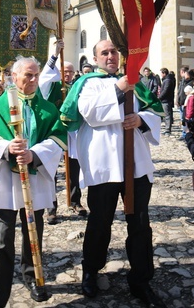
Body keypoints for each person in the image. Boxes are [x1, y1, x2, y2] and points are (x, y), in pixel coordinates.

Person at [60, 40, 166, 307]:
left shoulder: (136, 83)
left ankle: (141, 280)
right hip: (103, 166)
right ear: (95, 58)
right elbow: (92, 114)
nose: (110, 56)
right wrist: (119, 89)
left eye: (114, 52)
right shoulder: (86, 84)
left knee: (140, 224)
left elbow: (155, 112)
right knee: (99, 222)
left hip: (136, 165)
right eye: (104, 52)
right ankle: (91, 270)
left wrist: (142, 120)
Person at [0, 56, 67, 308]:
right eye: (28, 75)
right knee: (2, 238)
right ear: (14, 77)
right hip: (6, 180)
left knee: (33, 232)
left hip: (34, 181)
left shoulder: (47, 109)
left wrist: (34, 154)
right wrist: (7, 147)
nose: (34, 80)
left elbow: (58, 138)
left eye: (36, 75)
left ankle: (33, 277)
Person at [39, 40, 87, 224]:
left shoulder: (76, 87)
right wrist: (55, 55)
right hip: (53, 131)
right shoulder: (49, 86)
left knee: (74, 167)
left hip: (72, 132)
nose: (67, 74)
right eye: (64, 71)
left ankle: (75, 201)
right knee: (50, 169)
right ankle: (51, 207)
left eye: (70, 72)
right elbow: (44, 76)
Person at [159, 67, 175, 135]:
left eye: (161, 73)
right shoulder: (166, 80)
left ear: (164, 73)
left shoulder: (167, 80)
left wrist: (159, 97)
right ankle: (166, 129)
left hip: (166, 100)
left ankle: (168, 130)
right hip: (164, 100)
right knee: (165, 115)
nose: (161, 75)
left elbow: (165, 90)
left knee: (167, 115)